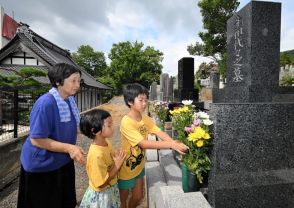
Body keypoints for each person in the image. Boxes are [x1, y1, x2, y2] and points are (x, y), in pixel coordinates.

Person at [17, 63, 86, 208]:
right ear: (58, 81)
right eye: (73, 80)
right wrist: (70, 148)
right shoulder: (45, 103)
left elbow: (76, 126)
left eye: (79, 81)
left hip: (63, 161)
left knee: (64, 201)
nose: (77, 85)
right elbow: (36, 140)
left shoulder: (70, 100)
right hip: (42, 164)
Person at [118, 83, 189, 208]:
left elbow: (158, 131)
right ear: (130, 102)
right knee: (123, 199)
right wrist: (171, 145)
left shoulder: (144, 118)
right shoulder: (126, 122)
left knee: (138, 197)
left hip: (139, 165)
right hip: (125, 166)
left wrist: (173, 142)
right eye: (141, 100)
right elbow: (143, 143)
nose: (145, 103)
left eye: (146, 100)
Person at [79, 109, 126, 208]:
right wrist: (117, 165)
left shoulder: (106, 142)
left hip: (110, 190)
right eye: (109, 125)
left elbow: (112, 160)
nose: (112, 128)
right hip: (101, 197)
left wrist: (117, 158)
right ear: (95, 130)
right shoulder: (96, 155)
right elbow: (100, 184)